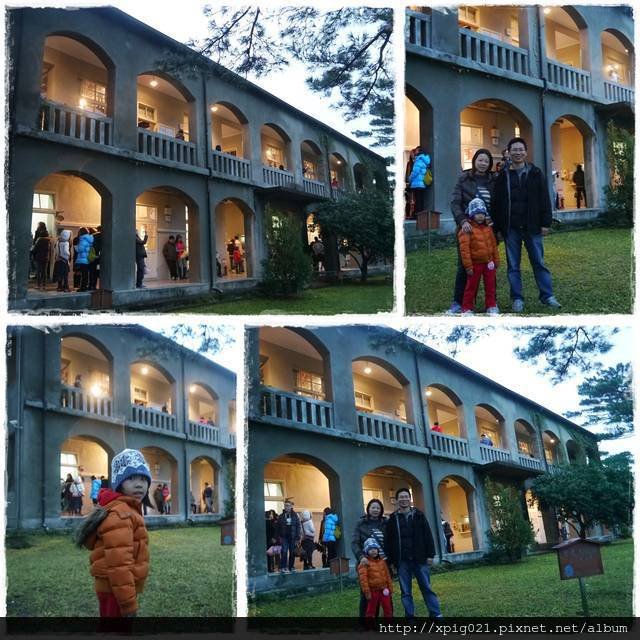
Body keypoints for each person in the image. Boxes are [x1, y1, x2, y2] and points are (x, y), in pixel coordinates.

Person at [74, 448, 151, 617]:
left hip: (116, 588)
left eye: (143, 479)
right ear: (119, 482)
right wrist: (128, 603)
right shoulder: (120, 514)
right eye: (131, 478)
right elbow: (119, 565)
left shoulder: (129, 510)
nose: (139, 484)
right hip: (114, 589)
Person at [492, 137, 561, 312]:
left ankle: (547, 296)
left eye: (520, 149)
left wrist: (546, 223)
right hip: (511, 228)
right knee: (513, 266)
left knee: (538, 262)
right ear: (508, 152)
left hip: (533, 226)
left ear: (526, 152)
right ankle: (517, 298)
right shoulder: (502, 175)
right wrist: (498, 229)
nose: (517, 152)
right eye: (514, 149)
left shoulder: (536, 173)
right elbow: (496, 203)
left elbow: (545, 199)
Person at [448, 148, 496, 314]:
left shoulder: (493, 180)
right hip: (468, 230)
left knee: (489, 267)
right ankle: (459, 302)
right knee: (465, 266)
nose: (483, 163)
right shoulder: (464, 179)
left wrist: (496, 223)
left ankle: (491, 304)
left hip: (488, 230)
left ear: (490, 164)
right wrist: (462, 221)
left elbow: (499, 203)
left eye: (486, 161)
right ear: (474, 161)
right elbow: (455, 202)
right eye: (480, 160)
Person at [385, 488, 443, 619]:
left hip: (420, 559)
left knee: (427, 588)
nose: (404, 499)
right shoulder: (393, 519)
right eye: (401, 497)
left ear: (410, 498)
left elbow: (428, 535)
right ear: (397, 500)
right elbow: (389, 542)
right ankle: (410, 616)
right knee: (405, 592)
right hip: (402, 561)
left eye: (406, 496)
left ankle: (436, 614)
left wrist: (430, 555)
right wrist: (392, 562)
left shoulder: (419, 515)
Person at [458, 197, 500, 316]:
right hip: (475, 264)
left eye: (482, 213)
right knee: (471, 287)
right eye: (477, 213)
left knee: (491, 285)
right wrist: (468, 266)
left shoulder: (488, 228)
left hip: (489, 263)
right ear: (472, 214)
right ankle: (467, 308)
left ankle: (491, 305)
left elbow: (493, 244)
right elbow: (464, 250)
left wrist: (496, 259)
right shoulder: (467, 229)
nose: (480, 216)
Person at [352, 498, 388, 618]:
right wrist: (361, 556)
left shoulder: (385, 523)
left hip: (382, 564)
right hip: (367, 564)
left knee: (384, 593)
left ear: (381, 510)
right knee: (367, 594)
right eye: (373, 507)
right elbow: (355, 543)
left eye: (378, 508)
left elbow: (390, 542)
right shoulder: (361, 523)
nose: (375, 510)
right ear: (368, 509)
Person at [357, 538, 393, 620]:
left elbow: (387, 575)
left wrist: (390, 587)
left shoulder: (382, 562)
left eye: (375, 548)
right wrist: (367, 592)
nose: (373, 551)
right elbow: (363, 580)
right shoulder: (364, 563)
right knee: (371, 609)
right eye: (370, 549)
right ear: (366, 551)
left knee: (388, 608)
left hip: (384, 590)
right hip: (373, 591)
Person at [276, 499, 302, 573]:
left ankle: (291, 566)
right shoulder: (281, 516)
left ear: (291, 506)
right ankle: (283, 567)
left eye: (288, 506)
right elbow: (278, 527)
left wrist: (298, 537)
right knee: (284, 551)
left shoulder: (295, 515)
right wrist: (277, 537)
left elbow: (298, 526)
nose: (286, 507)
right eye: (285, 506)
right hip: (284, 537)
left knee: (292, 552)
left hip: (293, 537)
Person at [407, 147, 431, 213]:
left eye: (416, 150)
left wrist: (410, 178)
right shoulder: (425, 160)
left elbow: (415, 171)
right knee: (421, 200)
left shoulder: (419, 159)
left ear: (419, 151)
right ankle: (421, 215)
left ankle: (417, 215)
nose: (415, 152)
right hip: (422, 183)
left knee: (417, 200)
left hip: (417, 183)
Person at [74, 227, 94, 292]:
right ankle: (85, 286)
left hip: (83, 259)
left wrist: (76, 247)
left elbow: (80, 249)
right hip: (87, 258)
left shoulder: (83, 239)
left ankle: (83, 287)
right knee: (86, 274)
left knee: (84, 274)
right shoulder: (89, 238)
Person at [32, 226, 51, 290]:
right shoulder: (49, 241)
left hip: (39, 257)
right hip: (46, 257)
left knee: (38, 271)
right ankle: (44, 286)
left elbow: (35, 249)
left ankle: (38, 285)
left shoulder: (39, 240)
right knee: (44, 272)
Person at [89, 226, 102, 290]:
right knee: (98, 272)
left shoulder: (93, 236)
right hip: (99, 257)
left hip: (92, 256)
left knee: (92, 271)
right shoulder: (102, 236)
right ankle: (97, 285)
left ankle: (92, 285)